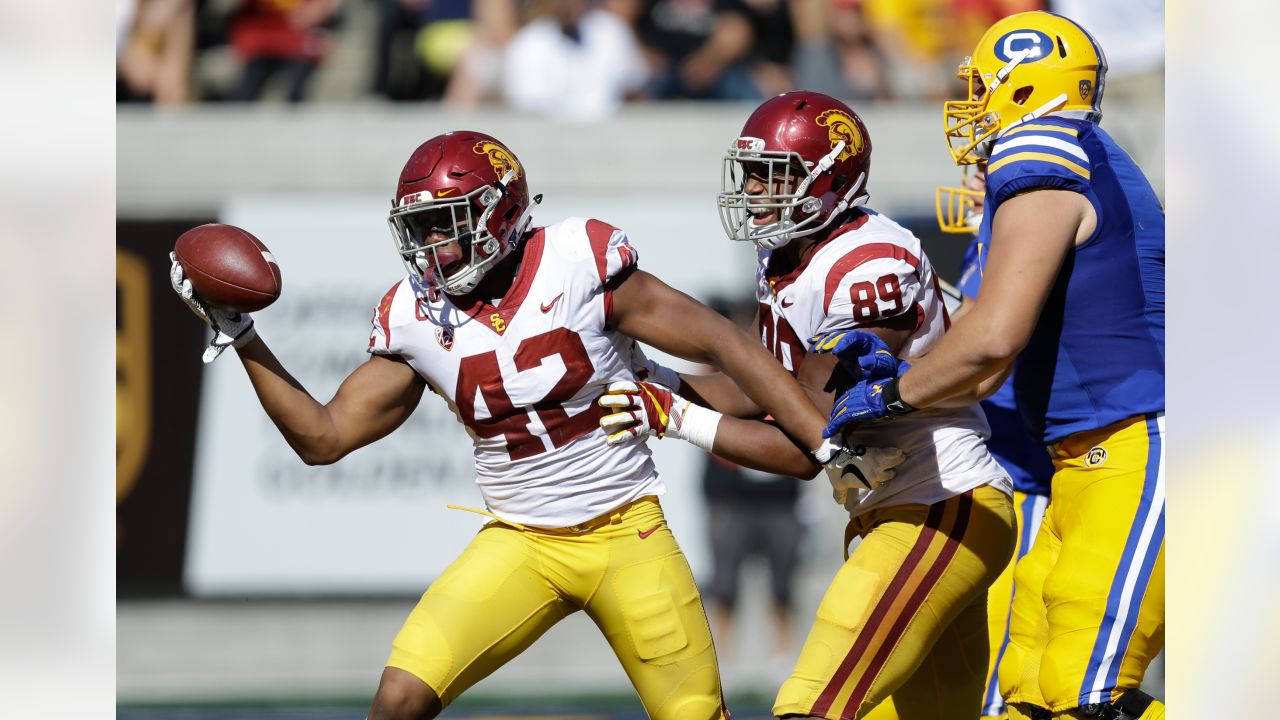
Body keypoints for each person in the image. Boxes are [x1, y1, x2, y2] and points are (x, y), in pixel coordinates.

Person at [169, 130, 903, 720]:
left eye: (445, 226)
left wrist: (820, 437)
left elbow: (723, 343)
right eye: (418, 229)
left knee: (693, 713)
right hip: (519, 541)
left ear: (497, 213)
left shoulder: (577, 262)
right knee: (397, 699)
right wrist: (243, 337)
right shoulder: (415, 316)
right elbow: (324, 438)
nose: (431, 248)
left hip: (626, 535)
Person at [600, 91, 1017, 719]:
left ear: (835, 180)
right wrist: (651, 380)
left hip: (940, 505)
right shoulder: (790, 254)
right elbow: (762, 389)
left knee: (810, 707)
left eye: (779, 175)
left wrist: (673, 417)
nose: (759, 190)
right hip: (898, 511)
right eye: (753, 172)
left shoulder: (866, 262)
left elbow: (810, 442)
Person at [823, 12, 1165, 720]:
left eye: (983, 88)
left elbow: (992, 339)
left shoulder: (1044, 146)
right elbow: (982, 367)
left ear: (1023, 88)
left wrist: (892, 395)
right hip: (1080, 463)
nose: (973, 106)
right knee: (1027, 699)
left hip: (1139, 442)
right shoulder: (1067, 152)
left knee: (1082, 695)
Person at [938, 165, 1055, 720]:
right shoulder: (990, 239)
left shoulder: (1032, 229)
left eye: (986, 168)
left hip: (1030, 477)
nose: (974, 181)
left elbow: (986, 362)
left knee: (1007, 675)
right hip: (1007, 468)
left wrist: (902, 391)